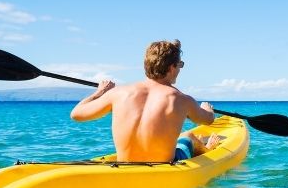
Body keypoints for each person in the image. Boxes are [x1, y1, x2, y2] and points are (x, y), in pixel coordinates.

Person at [70, 39, 221, 162]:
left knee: (185, 137)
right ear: (171, 68)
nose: (180, 69)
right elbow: (207, 120)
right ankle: (206, 148)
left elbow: (76, 114)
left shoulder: (118, 93)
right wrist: (208, 109)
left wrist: (100, 92)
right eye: (180, 64)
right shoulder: (182, 100)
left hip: (125, 166)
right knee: (188, 137)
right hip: (164, 167)